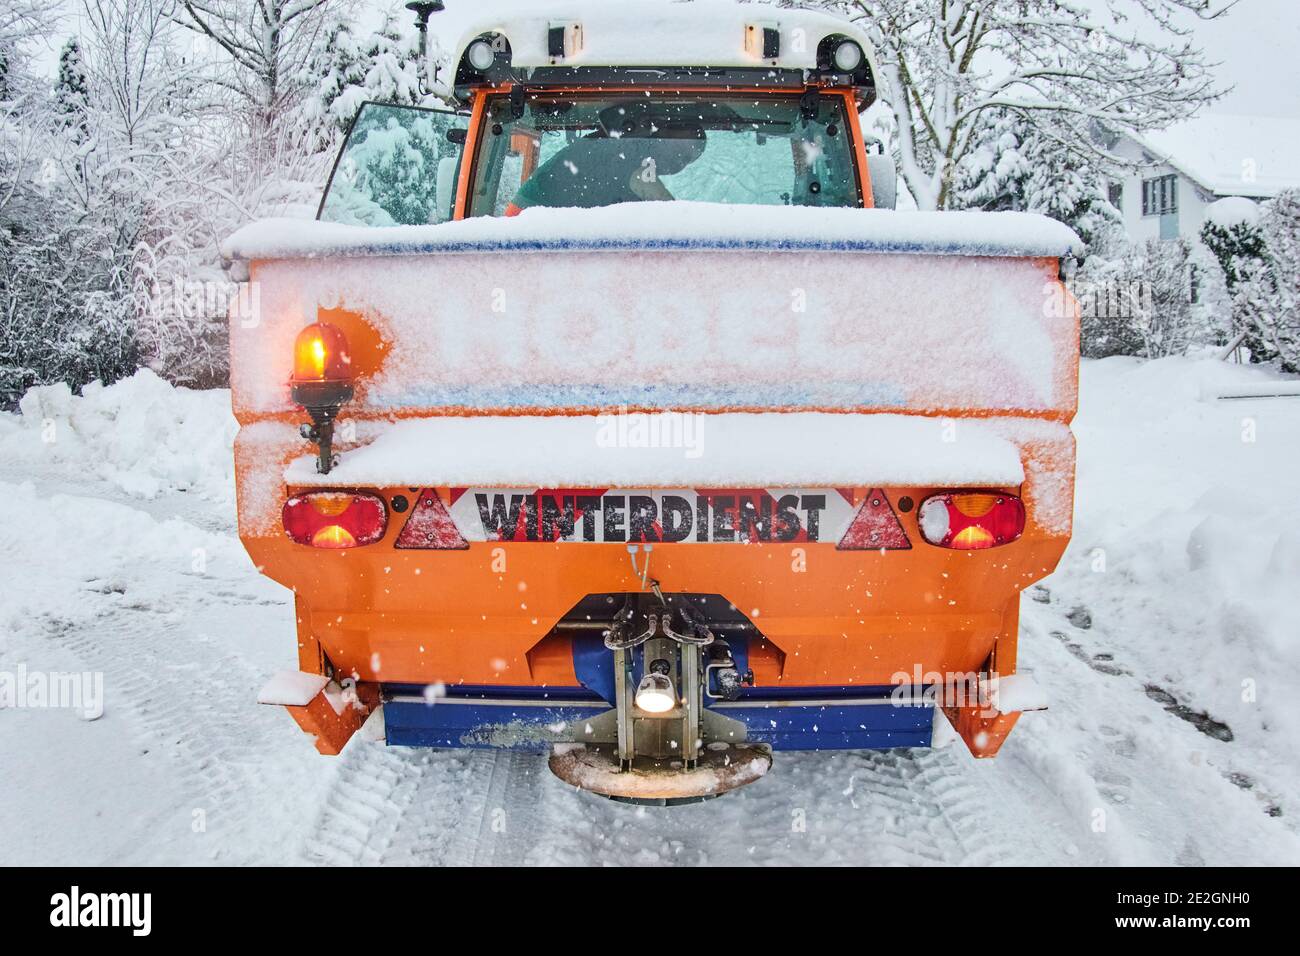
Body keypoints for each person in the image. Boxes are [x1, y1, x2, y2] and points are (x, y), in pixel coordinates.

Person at [505, 101, 706, 215]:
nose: (680, 163)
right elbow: (673, 222)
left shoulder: (600, 147)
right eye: (680, 153)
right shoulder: (631, 163)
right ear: (657, 137)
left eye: (688, 160)